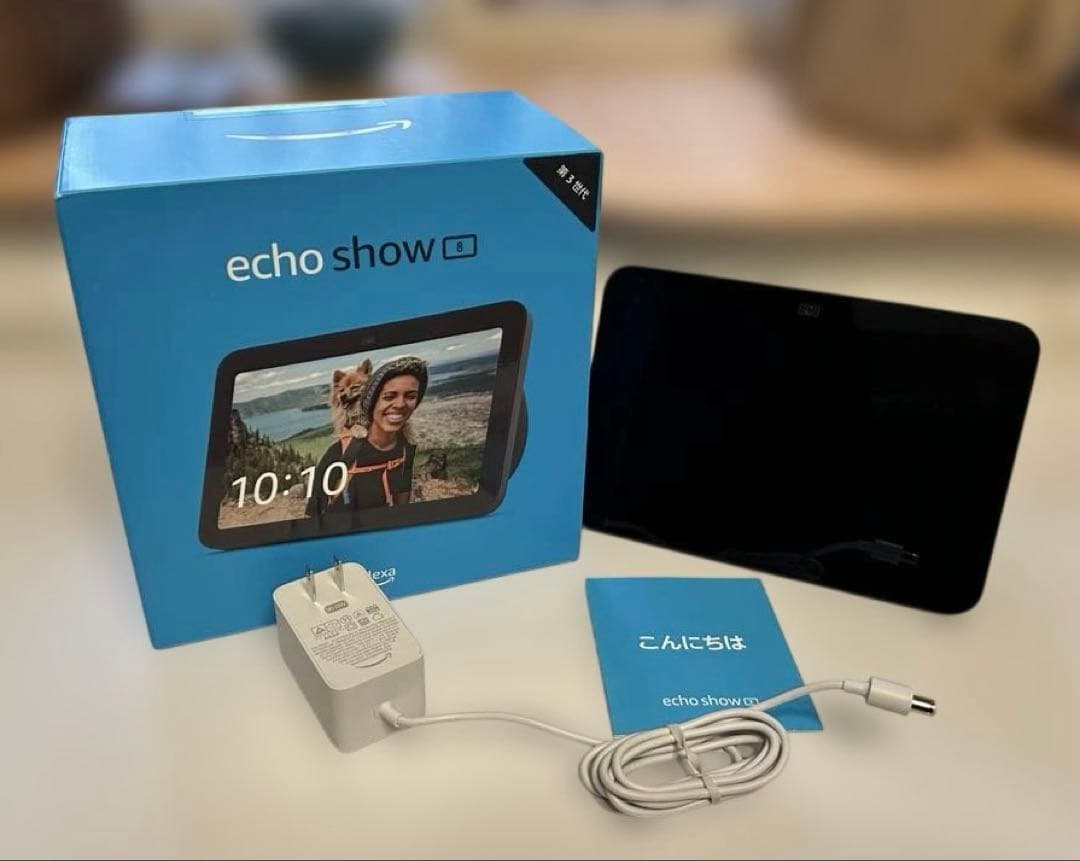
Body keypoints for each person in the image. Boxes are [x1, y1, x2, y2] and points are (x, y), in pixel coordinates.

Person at [306, 356, 427, 517]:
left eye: (410, 396)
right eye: (389, 396)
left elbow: (402, 498)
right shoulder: (341, 452)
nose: (400, 404)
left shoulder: (406, 446)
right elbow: (314, 509)